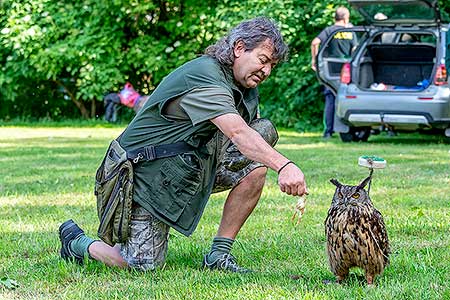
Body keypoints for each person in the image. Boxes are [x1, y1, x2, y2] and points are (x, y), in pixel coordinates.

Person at [58, 17, 308, 273]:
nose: (266, 71)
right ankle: (77, 243)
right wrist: (284, 165)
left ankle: (218, 256)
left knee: (257, 158)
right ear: (239, 48)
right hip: (140, 177)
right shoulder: (205, 76)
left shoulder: (242, 85)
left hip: (184, 169)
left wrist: (269, 160)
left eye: (272, 66)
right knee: (139, 266)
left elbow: (249, 137)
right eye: (263, 60)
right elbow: (238, 134)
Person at [310, 7, 356, 138]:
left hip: (330, 72)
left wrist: (315, 60)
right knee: (344, 99)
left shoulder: (329, 30)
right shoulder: (349, 31)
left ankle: (328, 132)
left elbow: (315, 43)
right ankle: (345, 130)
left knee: (330, 99)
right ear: (346, 18)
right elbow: (355, 49)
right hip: (345, 72)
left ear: (335, 17)